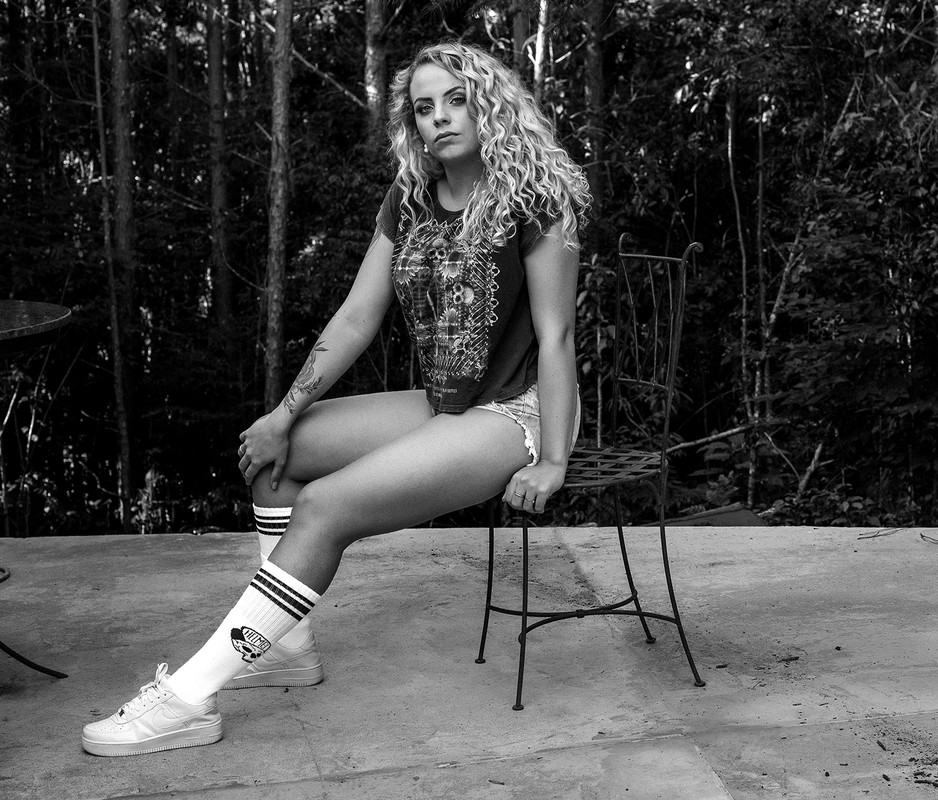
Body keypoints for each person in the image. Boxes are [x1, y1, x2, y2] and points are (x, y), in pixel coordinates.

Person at [82, 41, 590, 757]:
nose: (440, 117)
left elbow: (557, 336)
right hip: (446, 404)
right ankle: (285, 648)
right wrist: (282, 414)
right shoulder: (410, 199)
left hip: (518, 412)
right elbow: (356, 318)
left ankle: (189, 698)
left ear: (490, 107)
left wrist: (554, 461)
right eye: (424, 108)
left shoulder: (535, 199)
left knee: (325, 506)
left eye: (457, 100)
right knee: (279, 456)